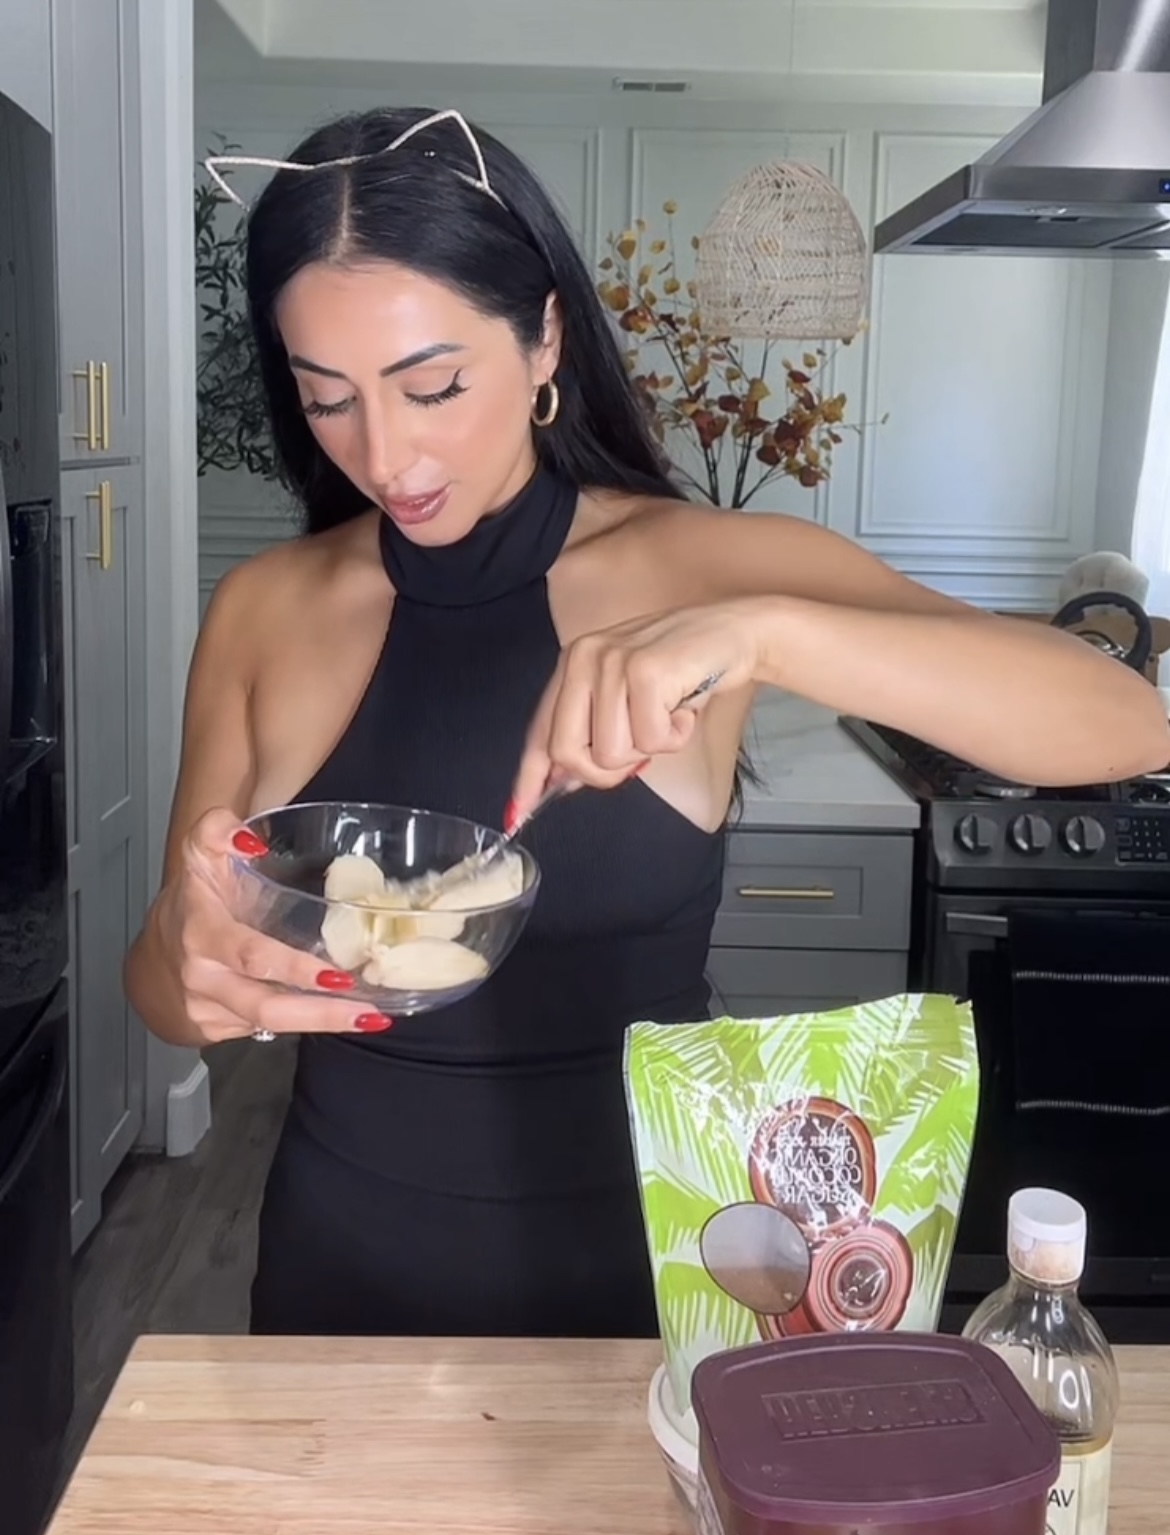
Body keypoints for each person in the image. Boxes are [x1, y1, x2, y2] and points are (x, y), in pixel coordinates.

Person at [126, 107, 1167, 1338]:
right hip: (342, 1278)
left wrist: (761, 631)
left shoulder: (702, 565)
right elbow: (164, 971)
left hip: (659, 1285)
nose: (387, 453)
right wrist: (191, 980)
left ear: (545, 334)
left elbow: (1124, 720)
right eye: (328, 399)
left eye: (436, 385)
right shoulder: (263, 608)